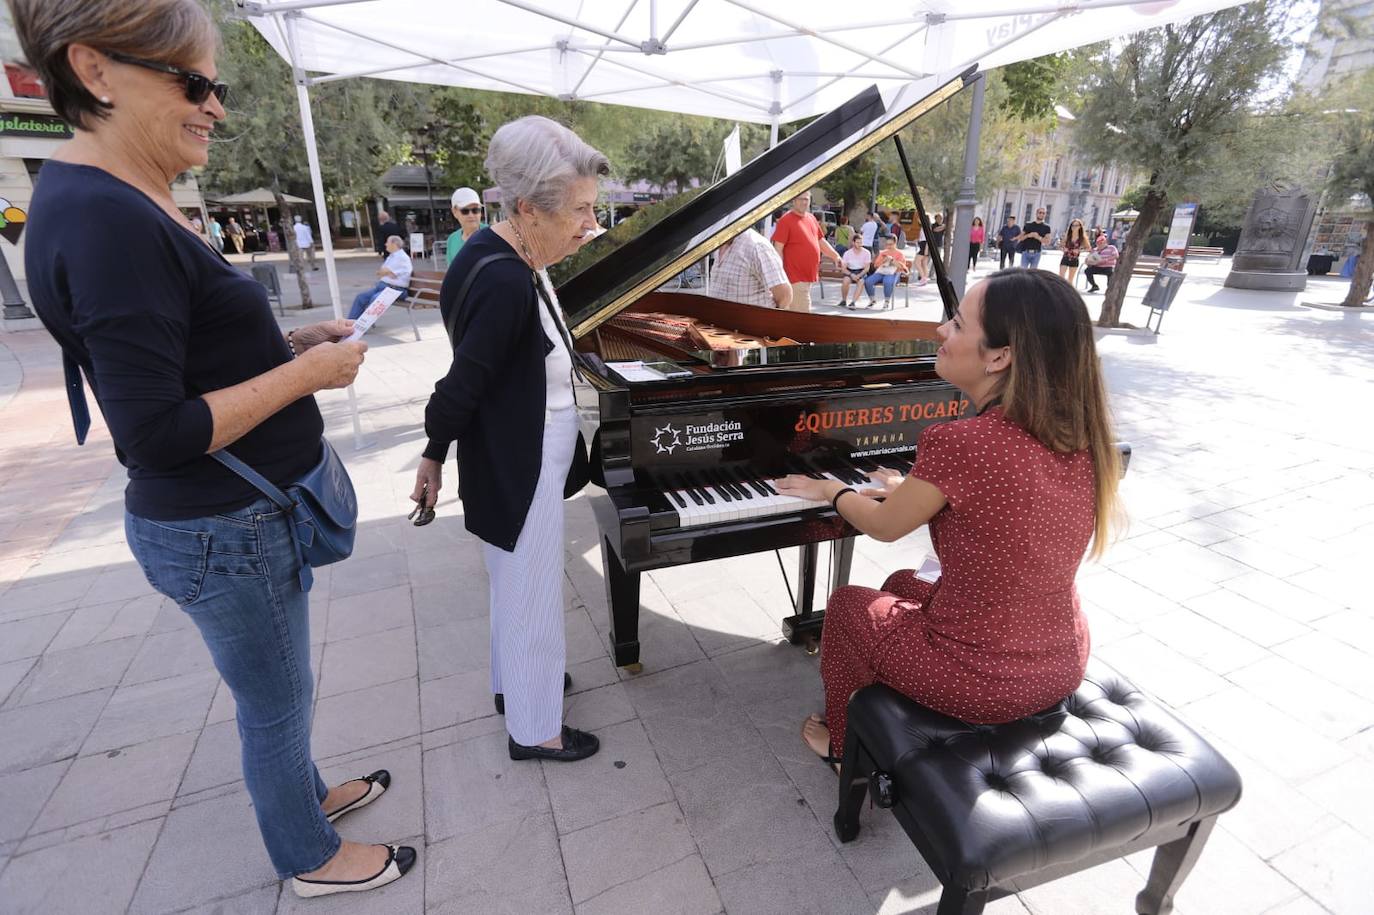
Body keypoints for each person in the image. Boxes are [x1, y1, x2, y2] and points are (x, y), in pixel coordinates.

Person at [12, 0, 416, 897]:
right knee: (274, 702)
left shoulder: (109, 196)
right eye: (194, 84)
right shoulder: (105, 216)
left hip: (230, 518)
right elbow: (155, 432)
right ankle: (308, 856)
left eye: (216, 86)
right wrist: (305, 378)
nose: (217, 107)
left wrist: (288, 341)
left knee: (281, 685)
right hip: (221, 525)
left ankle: (307, 800)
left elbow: (183, 348)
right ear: (96, 70)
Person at [774, 268, 1121, 769]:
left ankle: (848, 747)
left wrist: (832, 489)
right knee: (900, 582)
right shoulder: (1082, 434)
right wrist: (907, 488)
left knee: (850, 606)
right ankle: (896, 708)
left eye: (957, 325)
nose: (939, 331)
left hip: (985, 682)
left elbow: (884, 526)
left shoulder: (962, 442)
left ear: (1000, 356)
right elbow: (995, 506)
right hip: (1061, 660)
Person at [411, 115, 609, 764]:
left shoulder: (502, 251)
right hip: (518, 461)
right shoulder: (502, 278)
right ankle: (535, 727)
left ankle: (516, 688)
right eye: (579, 210)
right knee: (531, 593)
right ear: (527, 207)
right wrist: (433, 453)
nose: (589, 224)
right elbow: (461, 382)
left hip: (514, 454)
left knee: (513, 584)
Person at [770, 190, 842, 312]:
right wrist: (779, 275)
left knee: (795, 315)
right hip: (794, 277)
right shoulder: (785, 220)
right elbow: (778, 249)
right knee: (802, 314)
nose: (804, 202)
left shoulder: (811, 218)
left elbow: (820, 241)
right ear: (793, 201)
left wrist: (836, 256)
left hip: (807, 277)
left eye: (806, 199)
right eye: (800, 199)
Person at [713, 228, 792, 309]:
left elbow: (784, 296)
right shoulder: (719, 242)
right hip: (720, 319)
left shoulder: (757, 246)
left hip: (753, 320)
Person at [349, 234, 411, 319]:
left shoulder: (401, 257)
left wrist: (386, 272)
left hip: (395, 289)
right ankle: (350, 324)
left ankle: (362, 327)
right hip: (383, 287)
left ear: (394, 244)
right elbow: (380, 272)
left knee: (375, 300)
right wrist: (386, 273)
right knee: (360, 297)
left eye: (387, 242)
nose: (385, 244)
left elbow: (386, 272)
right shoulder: (392, 256)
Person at [863, 235, 910, 308]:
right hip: (881, 272)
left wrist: (891, 260)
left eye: (890, 244)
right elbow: (876, 265)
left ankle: (886, 301)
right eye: (887, 244)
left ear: (895, 243)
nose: (888, 246)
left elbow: (902, 267)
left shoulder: (900, 254)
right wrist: (883, 261)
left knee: (887, 281)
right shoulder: (883, 253)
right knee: (868, 281)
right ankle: (872, 300)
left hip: (894, 274)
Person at [444, 186, 486, 268]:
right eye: (465, 211)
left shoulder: (493, 235)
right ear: (454, 212)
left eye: (475, 210)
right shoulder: (452, 240)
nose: (471, 215)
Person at [838, 233, 871, 308]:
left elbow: (867, 268)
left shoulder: (866, 253)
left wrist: (859, 275)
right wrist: (851, 274)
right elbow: (843, 269)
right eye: (858, 242)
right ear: (853, 243)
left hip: (861, 271)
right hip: (850, 271)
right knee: (845, 281)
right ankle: (843, 300)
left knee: (861, 281)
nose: (860, 244)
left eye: (861, 242)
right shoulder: (847, 253)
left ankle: (853, 302)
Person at [1059, 218, 1090, 286]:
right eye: (1072, 225)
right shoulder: (1067, 236)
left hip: (1075, 258)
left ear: (1080, 227)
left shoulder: (1082, 237)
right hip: (1066, 257)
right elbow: (1060, 246)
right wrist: (1063, 249)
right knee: (1061, 277)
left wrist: (1079, 251)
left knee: (1070, 279)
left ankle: (1068, 293)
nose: (1074, 227)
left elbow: (1088, 248)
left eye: (1076, 225)